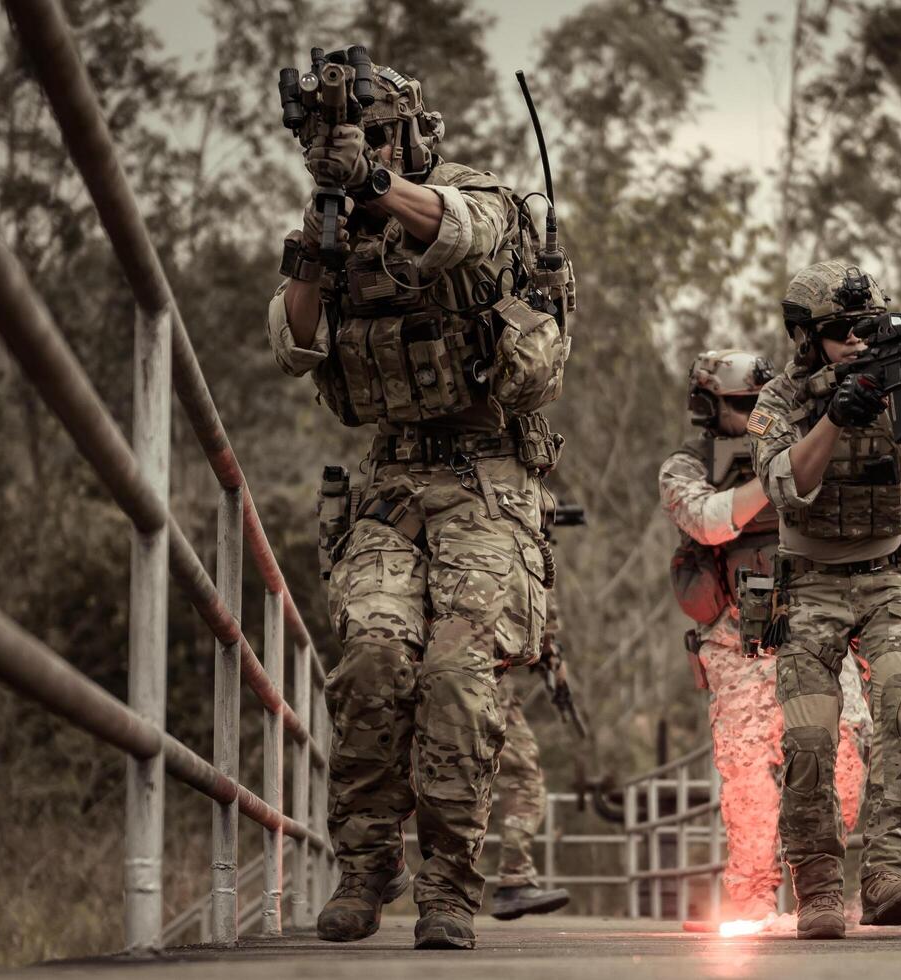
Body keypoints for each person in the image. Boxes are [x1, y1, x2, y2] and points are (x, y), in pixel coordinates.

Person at [266, 58, 572, 949]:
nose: (367, 143)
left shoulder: (477, 194)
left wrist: (373, 183)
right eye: (351, 133)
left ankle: (449, 885)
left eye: (380, 130)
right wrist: (320, 240)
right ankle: (364, 868)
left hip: (488, 482)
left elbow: (460, 235)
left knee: (456, 680)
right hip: (390, 481)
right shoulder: (330, 225)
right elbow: (291, 344)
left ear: (411, 132)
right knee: (369, 662)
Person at [747, 261, 901, 939]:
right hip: (810, 583)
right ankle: (819, 886)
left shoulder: (897, 377)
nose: (857, 341)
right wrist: (833, 417)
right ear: (806, 337)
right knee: (809, 739)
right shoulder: (779, 402)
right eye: (839, 331)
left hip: (890, 576)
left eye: (866, 327)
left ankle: (885, 869)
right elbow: (786, 485)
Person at [659, 350, 870, 924]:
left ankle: (811, 877)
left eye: (760, 404)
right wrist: (776, 480)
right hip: (737, 639)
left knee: (849, 751)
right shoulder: (689, 464)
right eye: (740, 406)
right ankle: (752, 897)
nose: (753, 416)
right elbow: (706, 518)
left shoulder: (802, 443)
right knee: (748, 773)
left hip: (817, 622)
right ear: (708, 406)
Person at [488, 604, 571, 920]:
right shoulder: (525, 552)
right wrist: (548, 649)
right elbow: (536, 598)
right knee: (523, 778)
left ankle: (375, 872)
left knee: (442, 773)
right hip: (483, 677)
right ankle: (514, 879)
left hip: (411, 663)